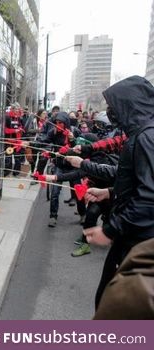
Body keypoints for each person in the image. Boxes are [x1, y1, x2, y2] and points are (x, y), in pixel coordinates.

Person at [80, 76, 154, 309]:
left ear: (129, 105)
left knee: (116, 306)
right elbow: (140, 183)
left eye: (114, 106)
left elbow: (149, 199)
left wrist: (110, 230)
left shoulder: (146, 138)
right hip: (133, 239)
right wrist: (110, 193)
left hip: (138, 242)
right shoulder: (142, 134)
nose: (111, 112)